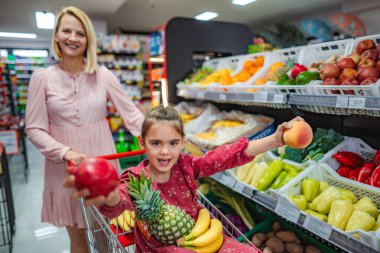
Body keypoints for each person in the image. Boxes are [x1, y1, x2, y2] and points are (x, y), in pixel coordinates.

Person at [65, 105, 303, 252]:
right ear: (142, 144)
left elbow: (226, 156)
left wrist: (276, 140)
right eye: (155, 143)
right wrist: (107, 191)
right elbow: (121, 200)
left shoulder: (187, 165)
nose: (165, 152)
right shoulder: (137, 178)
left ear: (182, 143)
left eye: (173, 143)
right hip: (159, 246)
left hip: (196, 234)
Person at [25, 6, 144, 253]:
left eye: (80, 33)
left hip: (102, 161)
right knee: (78, 237)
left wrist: (162, 137)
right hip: (64, 167)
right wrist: (65, 151)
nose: (73, 38)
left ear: (88, 39)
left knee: (104, 233)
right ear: (57, 35)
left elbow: (133, 116)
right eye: (66, 31)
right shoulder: (42, 78)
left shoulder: (103, 75)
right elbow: (34, 128)